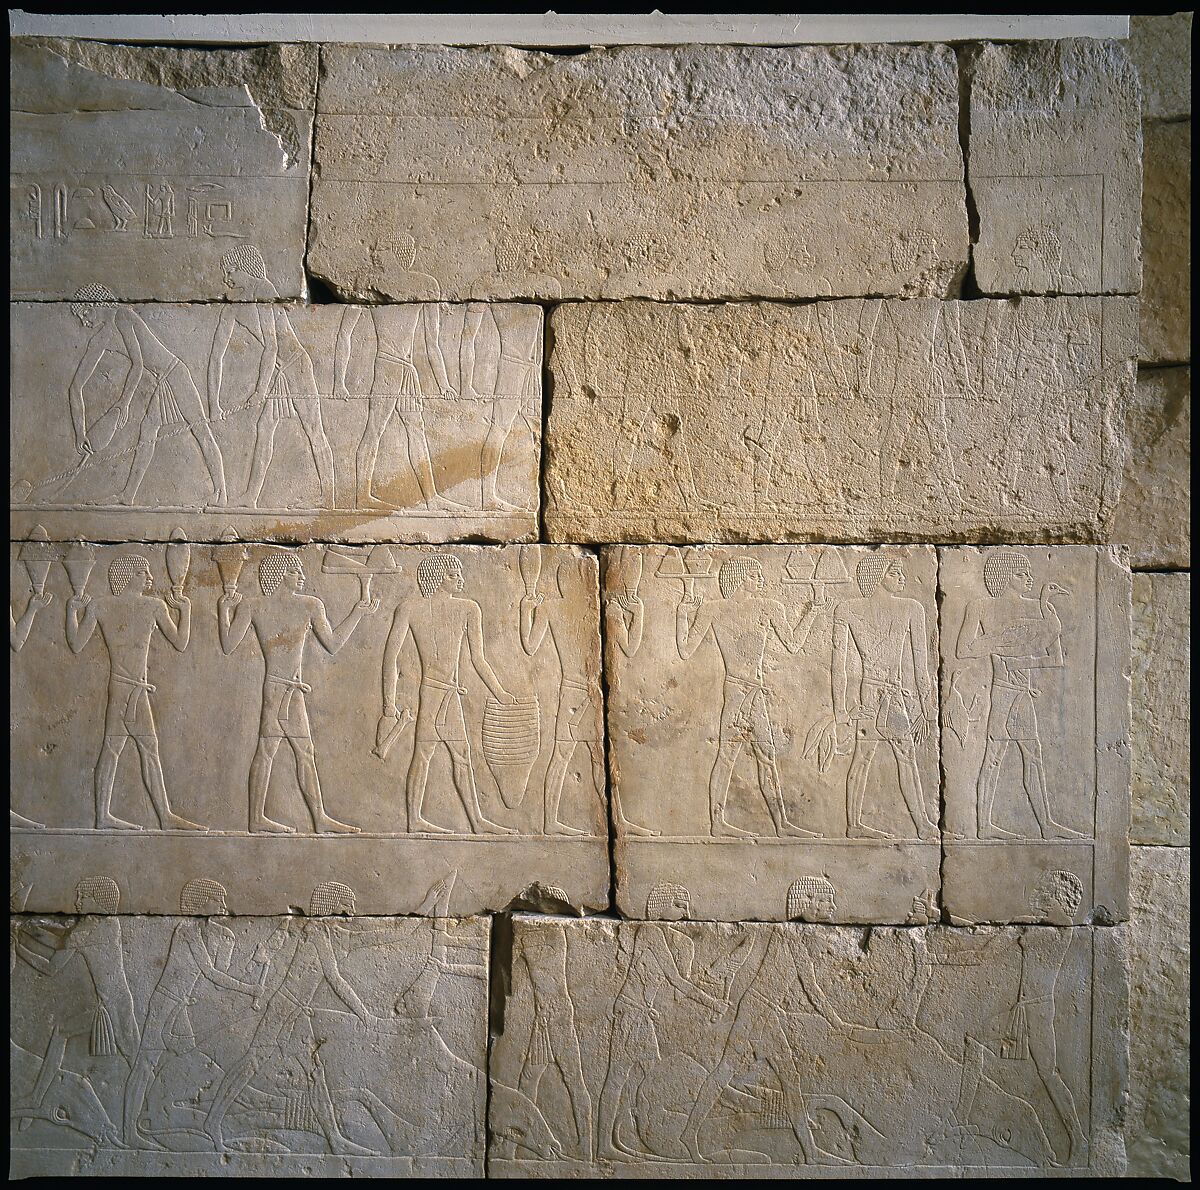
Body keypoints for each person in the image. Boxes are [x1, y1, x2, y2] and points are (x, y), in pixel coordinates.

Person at [218, 552, 377, 833]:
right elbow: (229, 646)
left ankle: (316, 818)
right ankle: (261, 819)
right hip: (281, 689)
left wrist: (358, 612)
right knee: (275, 751)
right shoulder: (257, 605)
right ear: (279, 575)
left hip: (286, 690)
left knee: (295, 751)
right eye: (295, 571)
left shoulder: (307, 605)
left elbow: (332, 644)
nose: (302, 576)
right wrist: (223, 609)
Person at [677, 556, 820, 837]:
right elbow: (685, 651)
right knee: (731, 757)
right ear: (740, 579)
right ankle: (719, 824)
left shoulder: (766, 607)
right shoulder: (716, 609)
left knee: (761, 758)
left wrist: (813, 611)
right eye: (755, 576)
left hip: (751, 694)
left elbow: (792, 645)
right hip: (739, 693)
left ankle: (780, 825)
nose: (761, 581)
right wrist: (682, 614)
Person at [378, 552, 517, 834]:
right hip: (436, 694)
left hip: (441, 694)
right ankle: (422, 820)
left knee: (445, 754)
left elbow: (479, 659)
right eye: (454, 575)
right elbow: (390, 657)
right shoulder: (412, 607)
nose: (461, 579)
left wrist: (500, 692)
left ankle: (471, 821)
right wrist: (388, 705)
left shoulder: (467, 608)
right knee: (431, 753)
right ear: (439, 578)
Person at [123, 879, 264, 1147]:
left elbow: (221, 977)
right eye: (217, 900)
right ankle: (129, 1132)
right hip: (166, 1003)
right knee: (146, 1063)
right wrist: (249, 989)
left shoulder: (215, 934)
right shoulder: (186, 929)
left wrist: (241, 954)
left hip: (182, 1006)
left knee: (187, 1053)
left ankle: (158, 1107)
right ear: (202, 902)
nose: (223, 906)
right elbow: (210, 973)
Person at [67, 554, 203, 831]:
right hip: (129, 691)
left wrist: (72, 612)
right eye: (144, 573)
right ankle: (117, 816)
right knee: (124, 749)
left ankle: (149, 815)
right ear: (129, 576)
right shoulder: (150, 606)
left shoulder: (102, 606)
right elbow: (180, 640)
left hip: (125, 689)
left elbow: (76, 642)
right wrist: (185, 612)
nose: (151, 578)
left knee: (126, 749)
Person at [954, 551, 1081, 840]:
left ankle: (1046, 826)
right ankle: (984, 827)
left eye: (1029, 574)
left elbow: (1055, 658)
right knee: (994, 756)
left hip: (1023, 692)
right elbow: (963, 649)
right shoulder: (981, 606)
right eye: (1021, 574)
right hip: (1002, 692)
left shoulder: (1038, 608)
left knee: (1033, 756)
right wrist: (1001, 641)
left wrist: (1020, 662)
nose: (1029, 579)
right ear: (1004, 577)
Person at [596, 884, 726, 1161]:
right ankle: (604, 1146)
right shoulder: (650, 932)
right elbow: (676, 980)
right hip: (631, 1014)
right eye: (679, 905)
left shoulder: (667, 937)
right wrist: (712, 1002)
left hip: (642, 1014)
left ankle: (629, 1136)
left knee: (650, 1076)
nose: (686, 912)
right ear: (662, 905)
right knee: (618, 1077)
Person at [67, 283, 227, 506]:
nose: (84, 321)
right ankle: (128, 496)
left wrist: (123, 403)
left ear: (97, 303)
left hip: (174, 373)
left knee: (200, 428)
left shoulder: (121, 315)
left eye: (85, 312)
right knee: (147, 434)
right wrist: (80, 433)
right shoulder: (100, 338)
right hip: (159, 382)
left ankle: (221, 493)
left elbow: (138, 364)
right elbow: (75, 387)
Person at [209, 245, 336, 509]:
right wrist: (214, 404)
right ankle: (251, 497)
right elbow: (217, 355)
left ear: (245, 269)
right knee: (264, 430)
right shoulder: (234, 304)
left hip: (295, 365)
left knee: (313, 430)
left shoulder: (264, 289)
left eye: (230, 271)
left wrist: (259, 390)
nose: (226, 278)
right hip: (275, 371)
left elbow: (272, 345)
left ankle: (329, 498)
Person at [12, 878, 139, 1126]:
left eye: (83, 897)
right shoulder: (106, 925)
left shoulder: (89, 931)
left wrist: (21, 945)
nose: (77, 902)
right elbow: (61, 939)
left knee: (136, 1058)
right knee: (62, 1033)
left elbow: (51, 965)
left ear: (98, 901)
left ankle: (136, 1119)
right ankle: (37, 1097)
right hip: (111, 1004)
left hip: (113, 1007)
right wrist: (26, 930)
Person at [832, 556, 938, 840]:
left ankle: (919, 823)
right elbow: (839, 666)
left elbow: (920, 665)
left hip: (876, 695)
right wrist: (839, 711)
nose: (902, 577)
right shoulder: (856, 609)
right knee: (895, 758)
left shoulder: (907, 608)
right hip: (887, 696)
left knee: (873, 758)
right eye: (895, 572)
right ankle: (917, 824)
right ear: (878, 575)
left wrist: (842, 710)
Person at [333, 304, 464, 512]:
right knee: (374, 430)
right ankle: (362, 496)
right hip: (388, 367)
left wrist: (444, 384)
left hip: (407, 370)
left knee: (416, 432)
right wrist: (338, 382)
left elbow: (432, 344)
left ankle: (431, 498)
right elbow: (344, 333)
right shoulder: (369, 285)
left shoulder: (426, 291)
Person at [519, 557, 604, 835]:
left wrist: (525, 611)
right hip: (576, 691)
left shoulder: (583, 607)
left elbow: (530, 645)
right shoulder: (568, 607)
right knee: (566, 755)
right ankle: (550, 821)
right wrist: (525, 610)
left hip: (587, 690)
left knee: (593, 754)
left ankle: (608, 816)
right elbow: (530, 648)